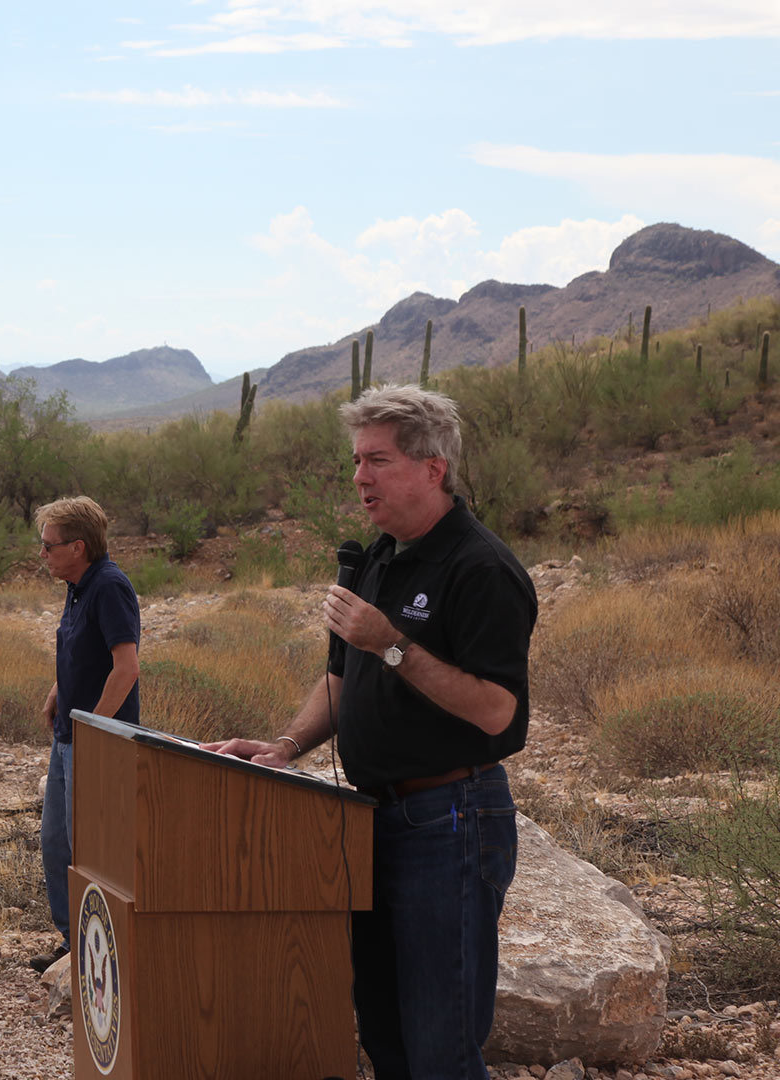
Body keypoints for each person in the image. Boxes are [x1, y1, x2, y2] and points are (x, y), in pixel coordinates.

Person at [203, 384, 535, 1080]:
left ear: (432, 468)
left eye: (376, 460)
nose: (359, 479)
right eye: (357, 461)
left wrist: (392, 645)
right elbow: (344, 680)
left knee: (441, 1046)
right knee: (385, 1038)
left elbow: (497, 712)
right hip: (368, 820)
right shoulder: (380, 556)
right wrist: (286, 747)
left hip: (450, 822)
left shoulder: (481, 568)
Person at [29, 496, 140, 973]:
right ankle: (72, 941)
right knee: (57, 841)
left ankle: (102, 949)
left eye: (49, 546)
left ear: (78, 547)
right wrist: (59, 690)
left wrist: (94, 727)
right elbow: (82, 652)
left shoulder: (109, 586)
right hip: (69, 737)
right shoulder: (76, 586)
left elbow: (126, 668)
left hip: (98, 740)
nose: (43, 554)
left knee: (91, 848)